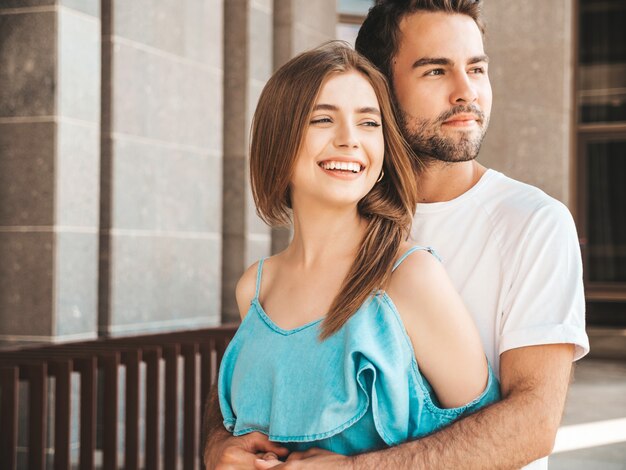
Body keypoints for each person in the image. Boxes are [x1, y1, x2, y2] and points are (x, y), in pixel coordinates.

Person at [229, 1, 589, 469]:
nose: (466, 92)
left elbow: (531, 424)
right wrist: (221, 440)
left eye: (476, 69)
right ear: (380, 85)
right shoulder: (342, 216)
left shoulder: (533, 221)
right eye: (436, 71)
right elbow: (272, 366)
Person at [205, 42, 501, 469]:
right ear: (279, 140)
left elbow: (489, 451)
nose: (349, 140)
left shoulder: (410, 276)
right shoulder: (255, 285)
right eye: (323, 119)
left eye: (368, 123)